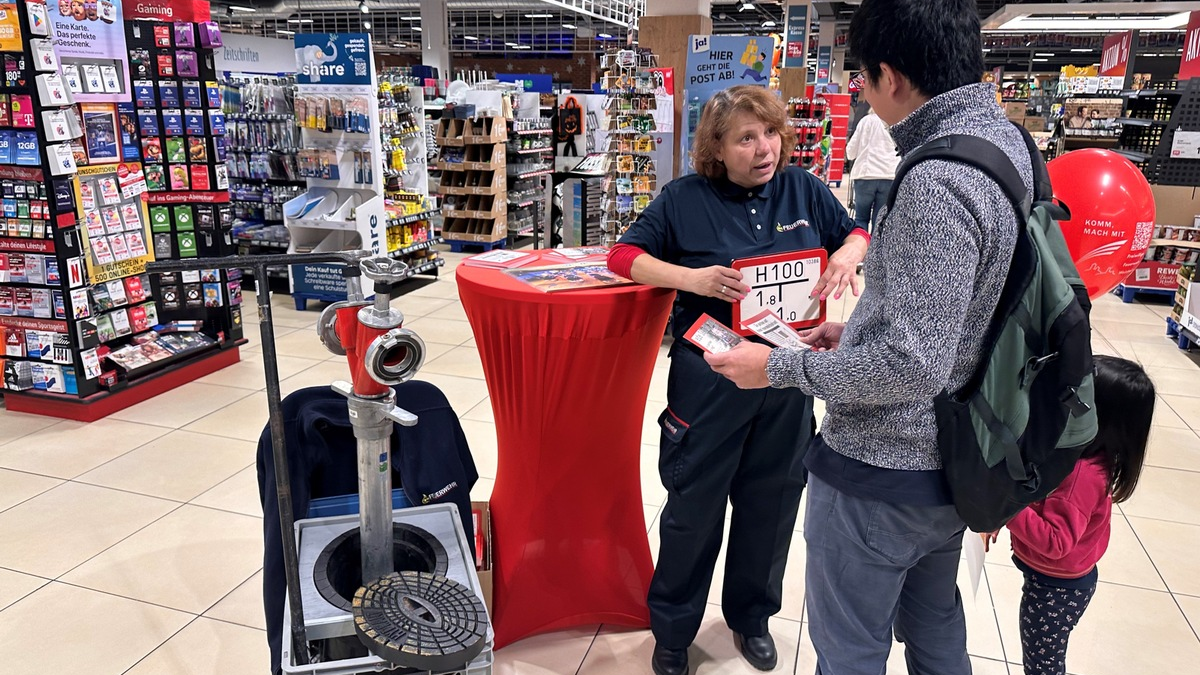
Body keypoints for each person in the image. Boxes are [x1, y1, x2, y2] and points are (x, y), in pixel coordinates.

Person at [703, 1, 1033, 673]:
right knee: (937, 625)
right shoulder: (1008, 144)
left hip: (887, 469)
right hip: (959, 453)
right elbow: (968, 304)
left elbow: (911, 364)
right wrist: (856, 330)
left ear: (890, 75)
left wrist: (781, 368)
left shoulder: (937, 180)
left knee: (850, 648)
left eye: (862, 77)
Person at [606, 84, 869, 675]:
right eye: (746, 138)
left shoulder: (804, 188)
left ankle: (751, 618)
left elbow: (854, 232)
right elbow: (623, 259)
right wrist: (692, 280)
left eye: (771, 132)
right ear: (717, 149)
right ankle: (672, 630)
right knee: (693, 507)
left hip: (786, 376)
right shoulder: (683, 199)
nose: (764, 147)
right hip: (712, 377)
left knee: (772, 505)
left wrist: (848, 254)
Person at [987, 355, 1153, 675]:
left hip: (1056, 591)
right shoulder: (1080, 457)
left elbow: (1056, 540)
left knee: (1042, 666)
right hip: (1056, 581)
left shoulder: (1082, 477)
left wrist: (1007, 507)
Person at [845, 106, 899, 234]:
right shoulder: (894, 122)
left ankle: (861, 249)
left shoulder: (866, 121)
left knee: (861, 218)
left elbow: (851, 152)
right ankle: (874, 250)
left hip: (865, 175)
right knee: (879, 219)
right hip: (889, 175)